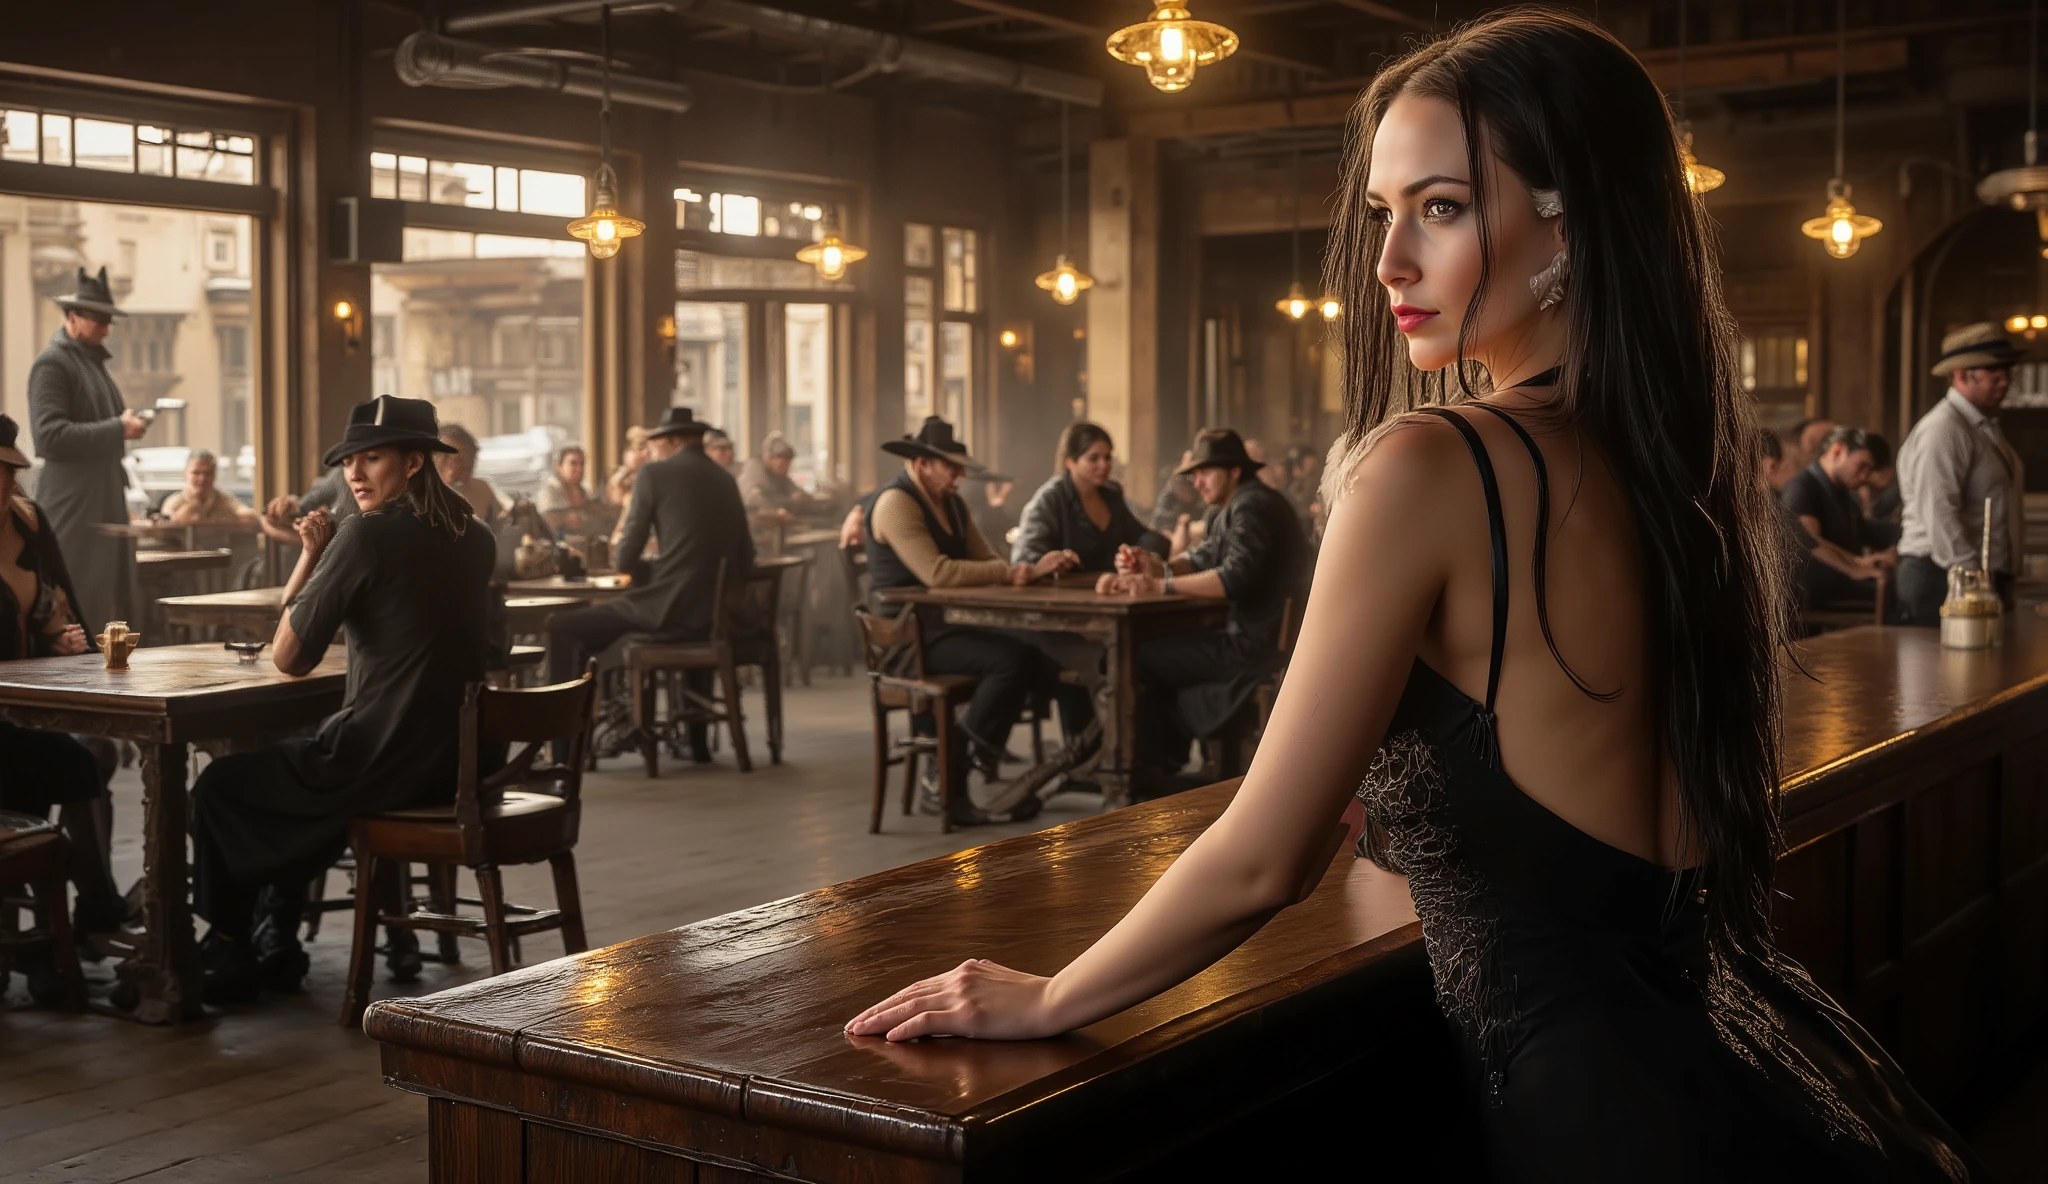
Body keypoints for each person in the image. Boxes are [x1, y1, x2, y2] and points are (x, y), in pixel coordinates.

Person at [848, 13, 1980, 1180]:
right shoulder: (1665, 461)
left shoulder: (1427, 464)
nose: (1387, 260)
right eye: (1382, 212)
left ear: (1572, 217)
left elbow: (1262, 858)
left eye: (1438, 208)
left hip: (1594, 1117)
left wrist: (1051, 994)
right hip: (1737, 1045)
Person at [189, 395, 495, 1002]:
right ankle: (275, 938)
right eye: (349, 460)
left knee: (222, 788)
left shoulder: (368, 533)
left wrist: (314, 557)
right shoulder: (475, 535)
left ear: (413, 463)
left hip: (387, 760)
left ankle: (230, 945)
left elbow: (289, 657)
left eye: (371, 459)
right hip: (464, 765)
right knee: (296, 777)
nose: (353, 474)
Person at [863, 416, 1091, 824]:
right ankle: (949, 773)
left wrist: (1023, 570)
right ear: (921, 464)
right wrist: (1012, 573)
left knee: (1038, 653)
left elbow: (986, 559)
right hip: (906, 641)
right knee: (1008, 661)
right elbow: (939, 573)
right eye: (950, 466)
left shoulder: (952, 502)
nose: (959, 475)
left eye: (959, 466)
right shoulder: (896, 503)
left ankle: (1074, 762)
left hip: (946, 627)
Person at [1099, 429, 1309, 789]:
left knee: (1136, 657)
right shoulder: (1231, 507)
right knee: (1149, 652)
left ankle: (1142, 772)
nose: (1196, 482)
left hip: (1258, 648)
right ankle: (1159, 764)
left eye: (1205, 472)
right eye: (1193, 474)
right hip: (1251, 639)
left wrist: (1160, 585)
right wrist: (1156, 565)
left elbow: (1233, 577)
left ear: (1234, 472)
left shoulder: (1253, 504)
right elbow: (1204, 557)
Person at [0, 412, 126, 1000]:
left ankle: (54, 930)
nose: (3, 485)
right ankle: (88, 905)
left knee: (96, 749)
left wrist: (67, 639)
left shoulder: (28, 521)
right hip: (6, 717)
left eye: (8, 472)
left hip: (28, 707)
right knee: (75, 765)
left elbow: (61, 605)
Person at [545, 409, 753, 759]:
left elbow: (625, 558)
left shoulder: (654, 475)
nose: (650, 452)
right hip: (714, 618)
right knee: (657, 609)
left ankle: (562, 750)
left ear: (671, 442)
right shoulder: (725, 479)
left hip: (668, 611)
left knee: (561, 626)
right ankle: (696, 743)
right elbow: (746, 556)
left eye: (654, 445)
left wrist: (637, 564)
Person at [27, 266, 150, 633]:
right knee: (82, 600)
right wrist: (119, 428)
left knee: (111, 602)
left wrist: (123, 426)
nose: (105, 328)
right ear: (72, 317)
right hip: (75, 506)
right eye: (97, 319)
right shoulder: (53, 364)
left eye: (107, 319)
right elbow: (47, 436)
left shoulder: (89, 362)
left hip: (101, 499)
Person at [1894, 322, 2027, 625]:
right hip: (1944, 578)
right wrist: (1973, 578)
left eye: (2007, 372)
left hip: (1974, 577)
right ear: (1962, 374)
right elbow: (1939, 509)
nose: (2005, 381)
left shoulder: (1980, 427)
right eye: (1995, 373)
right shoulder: (1944, 428)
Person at [1012, 421, 1169, 573]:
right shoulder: (1049, 499)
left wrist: (1141, 555)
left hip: (1112, 589)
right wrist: (1055, 562)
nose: (1104, 465)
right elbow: (1024, 559)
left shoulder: (1110, 494)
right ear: (1070, 462)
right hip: (1063, 594)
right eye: (1093, 458)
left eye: (1107, 458)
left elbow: (1145, 536)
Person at [1763, 430, 1885, 609]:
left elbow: (1808, 540)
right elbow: (1808, 543)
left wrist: (1856, 564)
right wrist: (1853, 568)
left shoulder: (1771, 500)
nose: (1865, 476)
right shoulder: (1800, 486)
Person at [737, 432, 828, 521]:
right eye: (781, 464)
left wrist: (800, 496)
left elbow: (793, 490)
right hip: (754, 525)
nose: (785, 468)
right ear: (768, 458)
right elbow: (754, 498)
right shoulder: (754, 470)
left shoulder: (778, 474)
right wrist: (776, 512)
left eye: (788, 464)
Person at [161, 450, 260, 526]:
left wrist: (219, 520)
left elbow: (250, 516)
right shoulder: (174, 502)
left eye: (207, 473)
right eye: (196, 473)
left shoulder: (225, 499)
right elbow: (164, 525)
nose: (202, 479)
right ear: (185, 474)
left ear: (214, 476)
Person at [434, 424, 504, 527]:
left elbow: (499, 528)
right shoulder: (416, 497)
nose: (454, 467)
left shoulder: (481, 490)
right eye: (446, 457)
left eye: (462, 458)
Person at [535, 444, 595, 536]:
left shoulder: (586, 491)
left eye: (582, 464)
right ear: (559, 467)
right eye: (573, 463)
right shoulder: (549, 492)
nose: (579, 469)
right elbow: (545, 521)